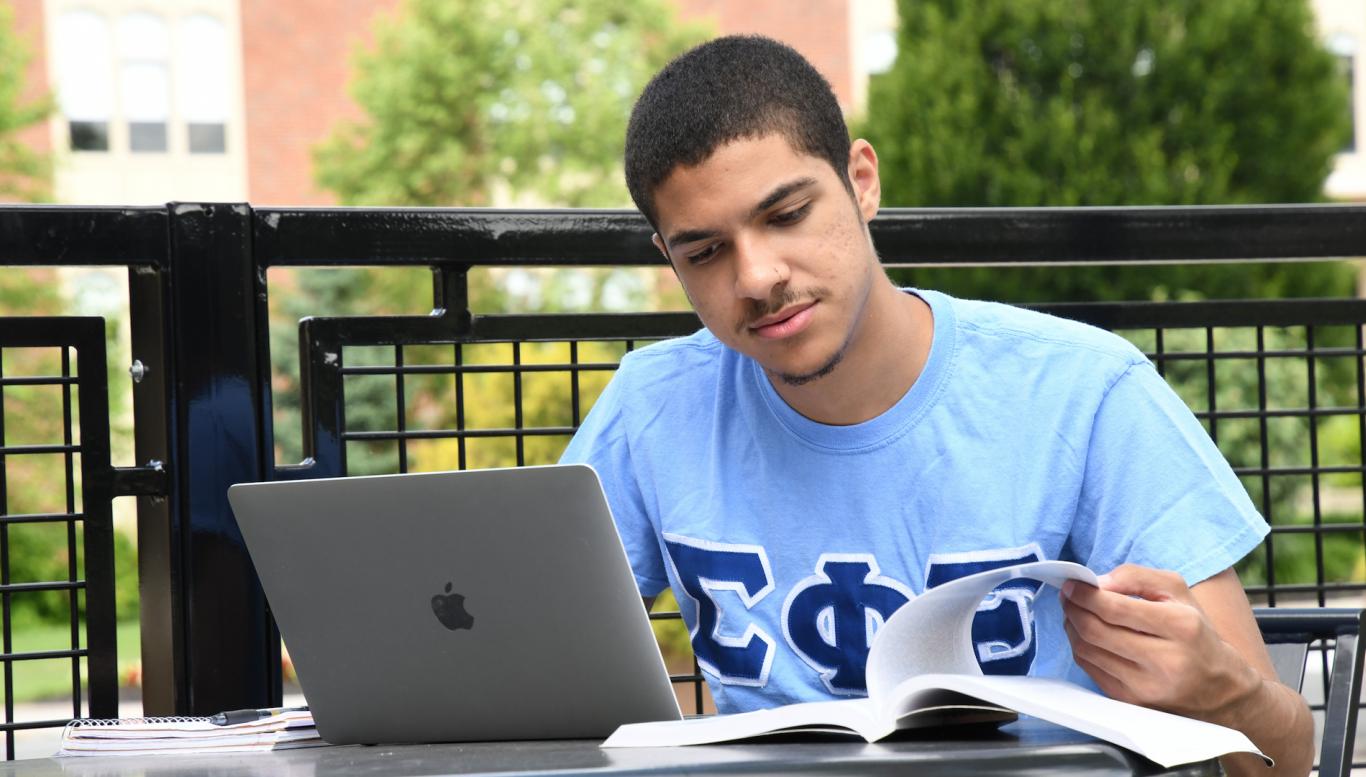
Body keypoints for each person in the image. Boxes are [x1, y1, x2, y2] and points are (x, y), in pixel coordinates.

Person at [559, 34, 1312, 775]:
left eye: (786, 215)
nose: (756, 276)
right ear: (669, 260)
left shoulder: (1083, 390)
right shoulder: (652, 405)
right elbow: (530, 670)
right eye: (706, 252)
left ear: (862, 182)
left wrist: (1226, 695)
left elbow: (1287, 759)